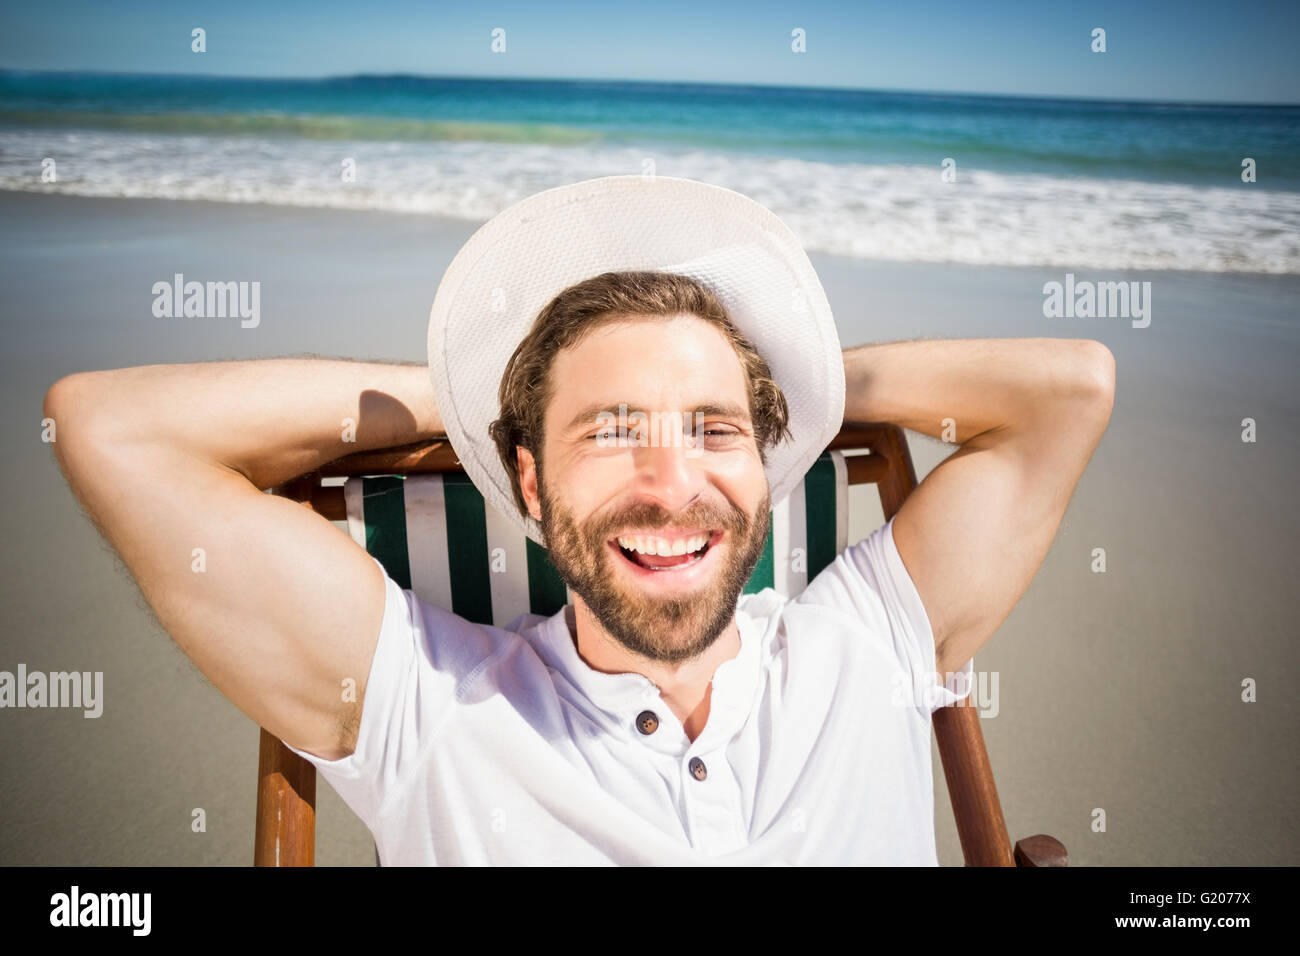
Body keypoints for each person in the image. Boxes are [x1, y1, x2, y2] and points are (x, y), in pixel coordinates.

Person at [44, 176, 1114, 864]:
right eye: (607, 433)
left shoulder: (870, 635)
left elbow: (1070, 386)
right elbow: (110, 428)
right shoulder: (433, 707)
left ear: (767, 463)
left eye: (712, 429)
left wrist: (809, 384)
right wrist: (454, 403)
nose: (668, 481)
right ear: (527, 481)